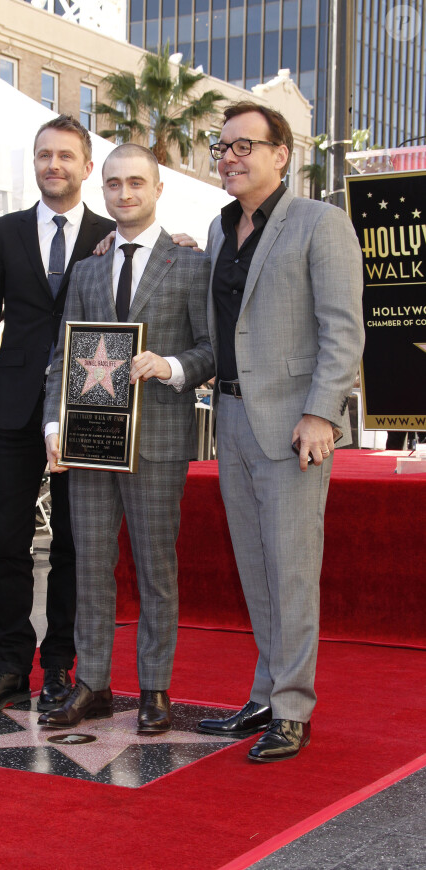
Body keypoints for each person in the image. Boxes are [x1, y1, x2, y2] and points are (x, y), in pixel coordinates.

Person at [195, 101, 364, 762]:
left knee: (292, 571)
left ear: (281, 154)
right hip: (231, 420)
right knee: (257, 571)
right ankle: (266, 694)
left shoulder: (320, 224)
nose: (229, 157)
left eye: (244, 146)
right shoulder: (216, 230)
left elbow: (342, 330)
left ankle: (294, 708)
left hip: (295, 426)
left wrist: (322, 412)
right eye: (223, 146)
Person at [39, 143, 213, 734]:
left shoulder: (191, 263)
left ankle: (155, 689)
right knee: (89, 565)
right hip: (90, 442)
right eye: (113, 184)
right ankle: (92, 684)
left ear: (158, 188)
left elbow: (215, 348)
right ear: (102, 188)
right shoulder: (90, 267)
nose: (124, 194)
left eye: (136, 183)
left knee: (155, 569)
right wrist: (55, 427)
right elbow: (64, 355)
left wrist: (170, 365)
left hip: (159, 441)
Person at [0, 114, 117, 715]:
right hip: (15, 408)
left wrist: (177, 243)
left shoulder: (109, 232)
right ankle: (8, 668)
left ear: (85, 165)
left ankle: (60, 668)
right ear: (35, 162)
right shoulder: (3, 232)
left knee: (75, 546)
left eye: (66, 156)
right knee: (9, 543)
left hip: (86, 404)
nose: (54, 165)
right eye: (44, 155)